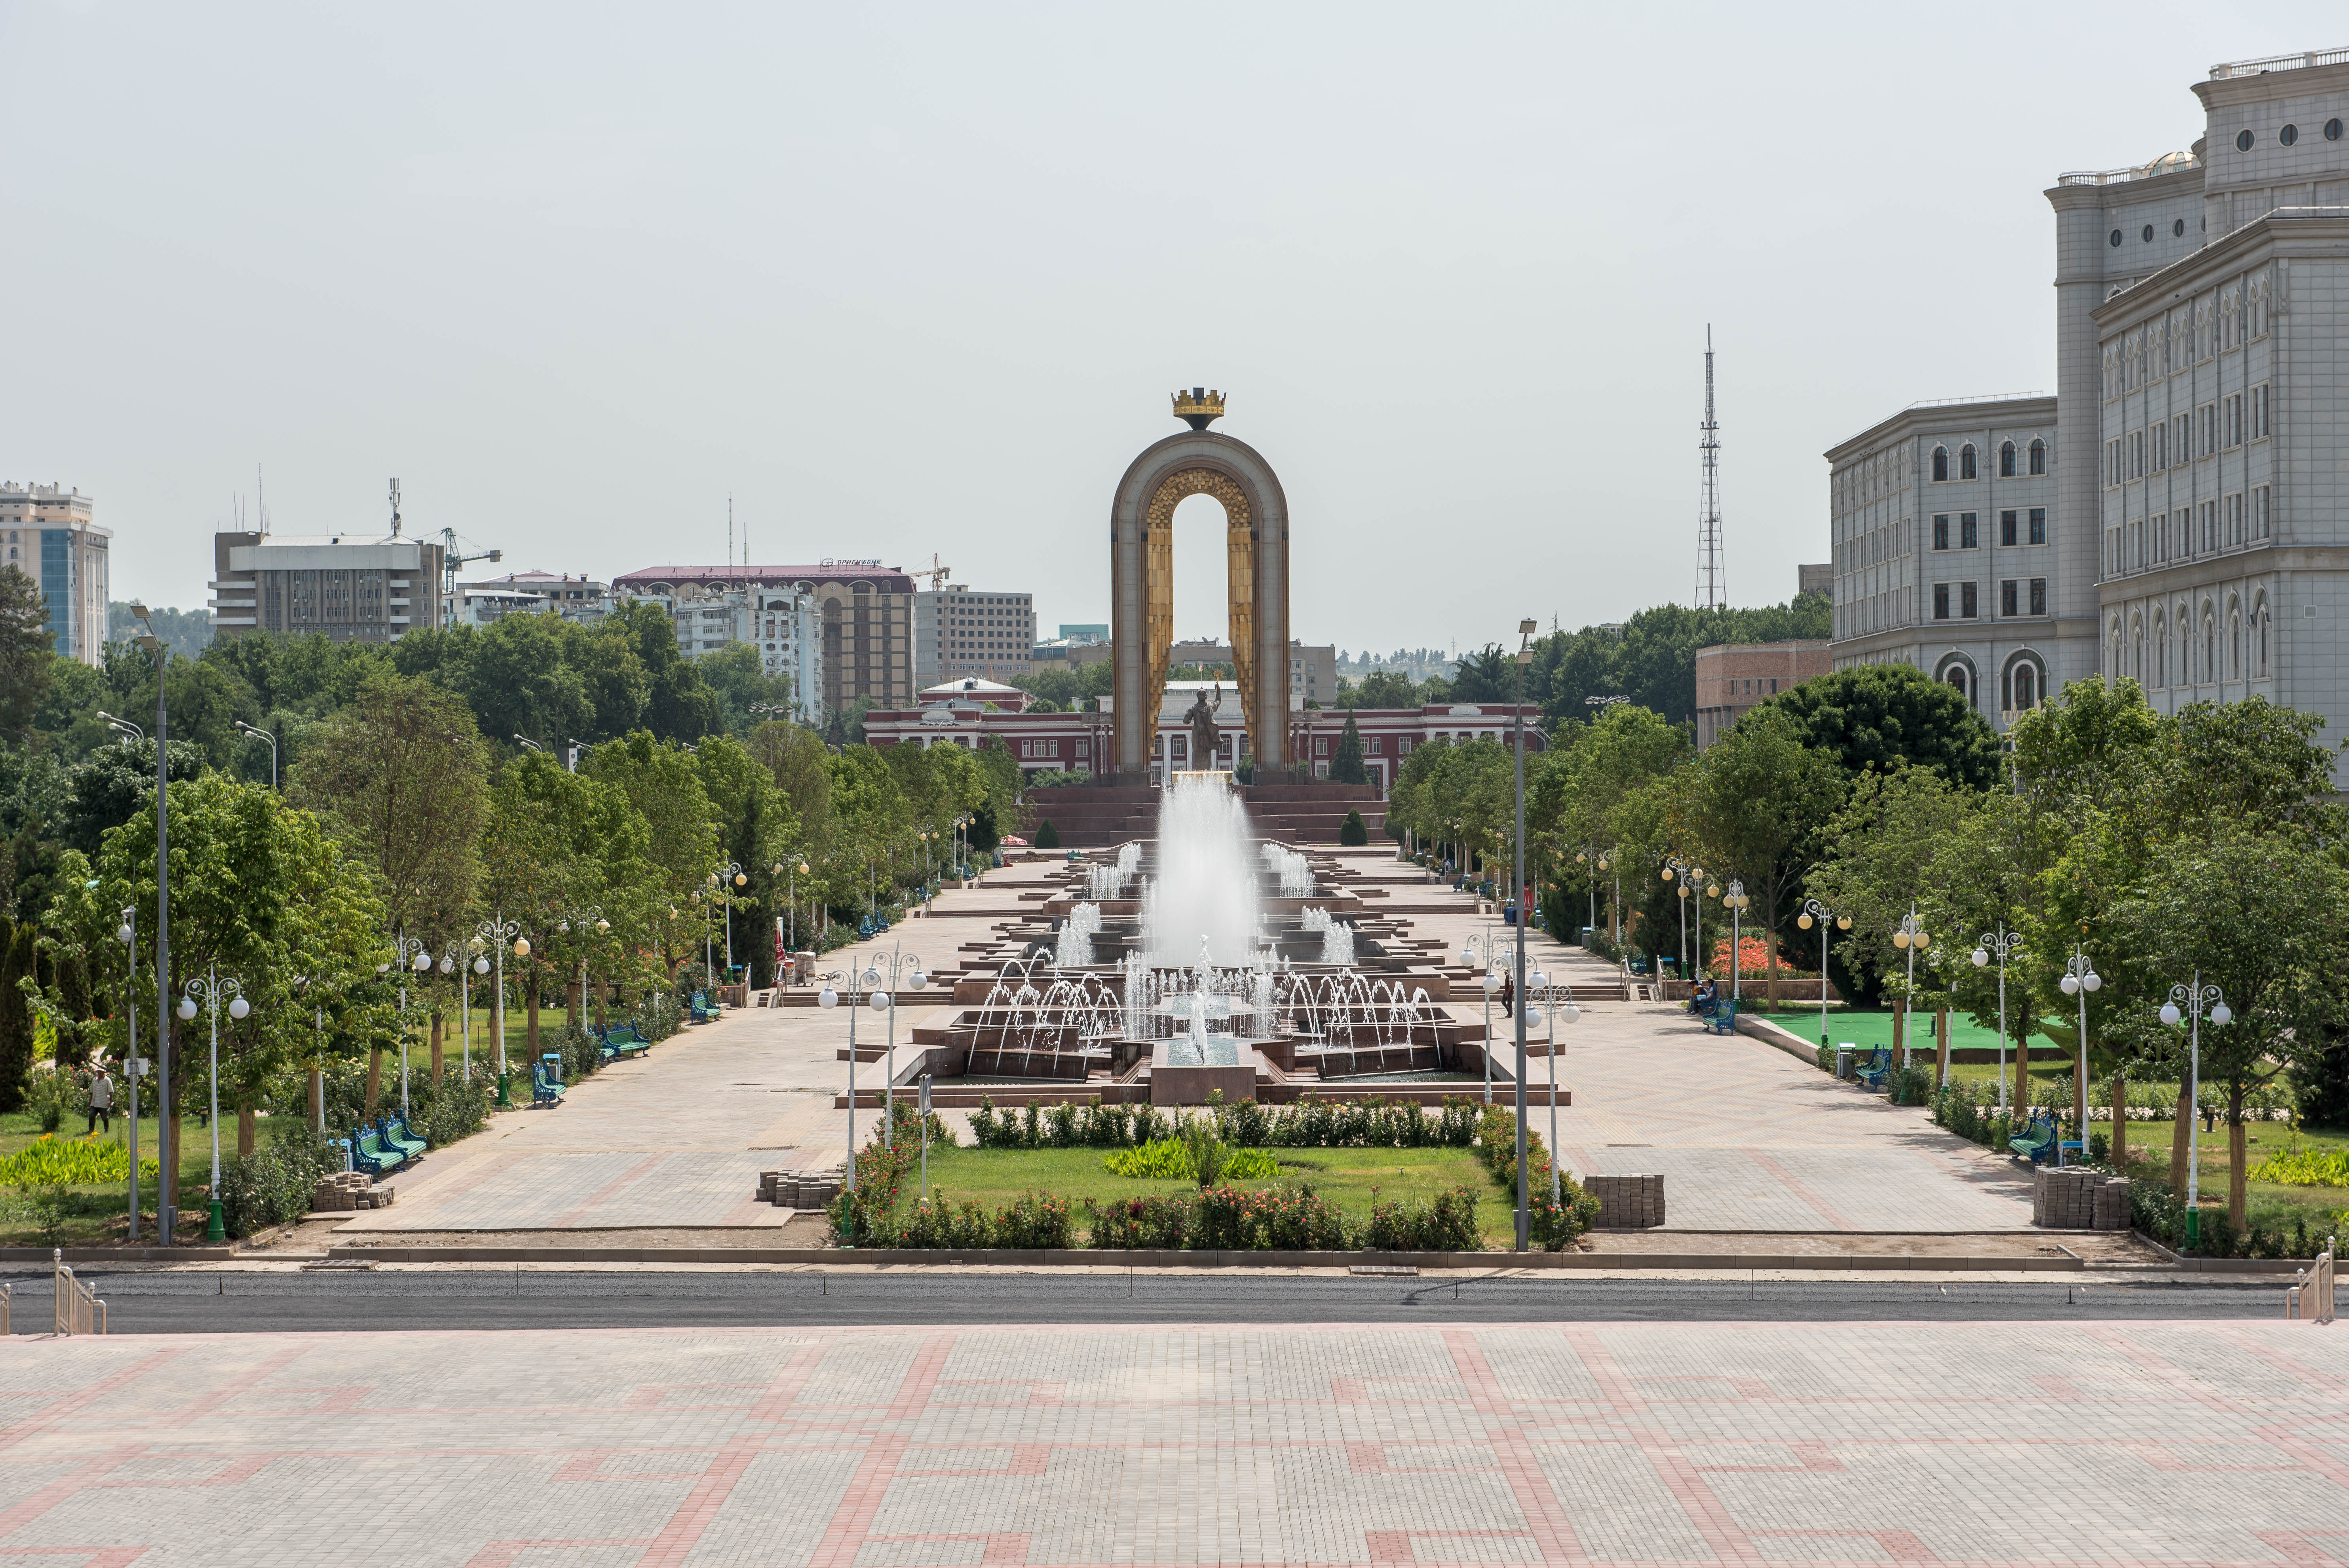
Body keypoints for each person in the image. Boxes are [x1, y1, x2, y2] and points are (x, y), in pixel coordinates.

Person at [86, 1065, 114, 1135]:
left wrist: (111, 1103)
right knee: (92, 1116)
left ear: (104, 1073)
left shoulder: (108, 1080)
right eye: (98, 1072)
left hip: (103, 1102)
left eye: (100, 1072)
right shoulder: (95, 1080)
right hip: (95, 1102)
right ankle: (91, 1130)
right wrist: (90, 1102)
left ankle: (106, 1130)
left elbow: (111, 1092)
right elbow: (92, 1092)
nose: (99, 1073)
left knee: (105, 1118)